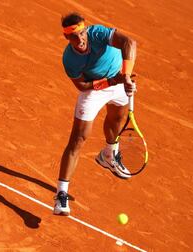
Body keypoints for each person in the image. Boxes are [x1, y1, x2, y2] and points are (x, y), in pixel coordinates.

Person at [53, 13, 137, 216]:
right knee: (78, 139)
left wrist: (125, 76)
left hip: (119, 78)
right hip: (95, 90)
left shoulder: (98, 33)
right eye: (74, 36)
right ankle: (61, 195)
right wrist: (111, 82)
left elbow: (129, 42)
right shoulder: (69, 59)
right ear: (67, 38)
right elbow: (82, 85)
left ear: (86, 30)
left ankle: (109, 154)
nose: (80, 39)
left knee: (117, 118)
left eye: (82, 33)